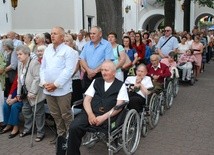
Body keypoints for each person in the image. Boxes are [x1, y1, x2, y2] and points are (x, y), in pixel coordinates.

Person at [67, 60, 129, 155]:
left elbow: (118, 107)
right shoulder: (96, 81)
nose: (103, 72)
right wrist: (90, 114)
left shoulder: (121, 85)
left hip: (109, 116)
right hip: (90, 112)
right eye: (102, 70)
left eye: (106, 70)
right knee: (74, 127)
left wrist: (103, 117)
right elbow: (87, 100)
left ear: (114, 72)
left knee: (108, 124)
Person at [40, 27, 77, 138]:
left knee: (65, 114)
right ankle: (61, 136)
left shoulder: (68, 51)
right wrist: (44, 82)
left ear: (62, 36)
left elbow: (69, 70)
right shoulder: (48, 49)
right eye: (51, 33)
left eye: (55, 33)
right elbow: (43, 68)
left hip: (62, 90)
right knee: (55, 115)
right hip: (48, 89)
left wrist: (55, 85)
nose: (52, 35)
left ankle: (71, 137)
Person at [16, 45, 46, 142]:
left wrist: (33, 92)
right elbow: (19, 80)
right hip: (25, 93)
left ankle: (41, 132)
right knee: (26, 111)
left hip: (36, 93)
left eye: (20, 54)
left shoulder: (34, 63)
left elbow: (38, 78)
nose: (18, 56)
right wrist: (18, 93)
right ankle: (27, 129)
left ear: (27, 54)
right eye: (17, 54)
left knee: (38, 113)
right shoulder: (20, 64)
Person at [79, 26, 114, 92]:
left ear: (100, 34)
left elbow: (107, 61)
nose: (91, 35)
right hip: (87, 75)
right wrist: (88, 70)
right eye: (90, 33)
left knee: (99, 95)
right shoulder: (87, 45)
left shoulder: (107, 45)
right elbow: (82, 59)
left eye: (94, 33)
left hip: (101, 74)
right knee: (87, 96)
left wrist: (94, 71)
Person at [64, 34, 83, 103]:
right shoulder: (62, 53)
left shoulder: (75, 53)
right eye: (64, 41)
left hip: (73, 79)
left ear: (71, 43)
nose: (65, 43)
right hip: (64, 79)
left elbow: (76, 66)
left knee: (74, 99)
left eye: (67, 41)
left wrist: (69, 75)